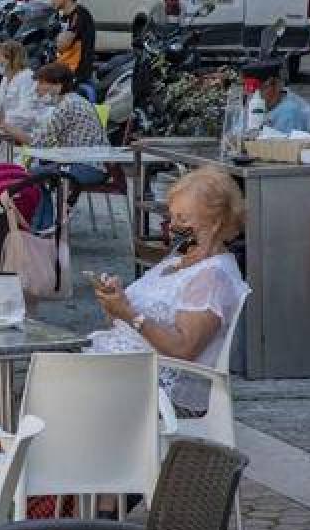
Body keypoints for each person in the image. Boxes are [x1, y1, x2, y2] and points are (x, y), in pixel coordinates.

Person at [89, 166, 249, 418]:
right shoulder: (177, 260)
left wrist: (129, 313)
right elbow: (125, 323)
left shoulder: (212, 277)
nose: (173, 226)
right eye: (172, 217)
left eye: (183, 219)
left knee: (51, 392)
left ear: (215, 223)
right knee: (43, 378)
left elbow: (184, 349)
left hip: (159, 393)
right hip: (123, 372)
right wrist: (115, 303)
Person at [0, 63, 108, 228]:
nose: (37, 88)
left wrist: (4, 126)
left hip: (86, 166)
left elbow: (37, 143)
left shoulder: (66, 106)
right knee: (39, 172)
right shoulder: (75, 100)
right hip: (92, 163)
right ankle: (42, 225)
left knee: (34, 176)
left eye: (42, 83)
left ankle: (41, 227)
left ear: (58, 85)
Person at [48, 0, 96, 102]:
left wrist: (58, 38)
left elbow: (62, 45)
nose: (52, 0)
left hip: (75, 72)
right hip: (63, 68)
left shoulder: (79, 14)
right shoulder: (64, 17)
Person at [252, 64, 310, 134]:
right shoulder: (255, 103)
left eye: (263, 88)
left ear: (277, 86)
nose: (256, 94)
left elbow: (286, 140)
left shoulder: (289, 112)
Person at [0, 39, 38, 131]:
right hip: (5, 127)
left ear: (10, 59)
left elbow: (26, 111)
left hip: (23, 130)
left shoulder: (27, 77)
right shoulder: (6, 78)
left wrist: (3, 119)